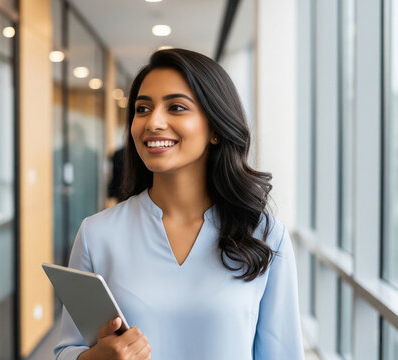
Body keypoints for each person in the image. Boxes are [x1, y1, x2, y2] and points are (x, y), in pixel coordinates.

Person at [54, 49, 304, 360]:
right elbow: (66, 349)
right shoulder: (97, 234)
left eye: (176, 107)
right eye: (142, 109)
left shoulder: (265, 235)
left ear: (215, 128)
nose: (153, 122)